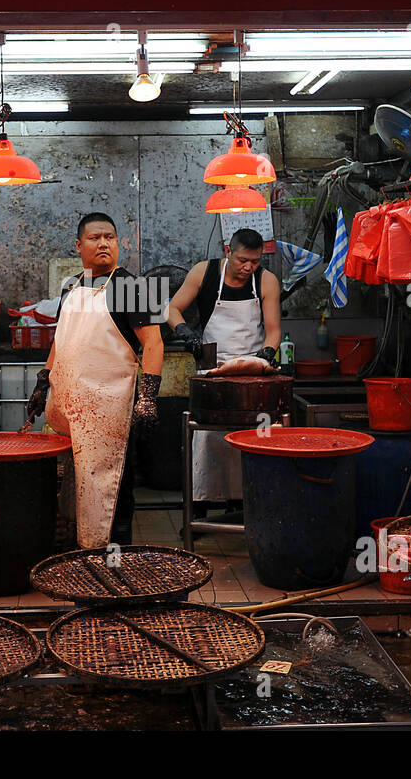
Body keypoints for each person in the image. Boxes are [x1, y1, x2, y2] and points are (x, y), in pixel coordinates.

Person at [24, 212, 164, 548]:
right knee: (79, 487)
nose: (103, 243)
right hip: (71, 407)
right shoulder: (69, 286)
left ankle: (116, 564)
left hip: (110, 410)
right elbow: (62, 340)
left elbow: (155, 343)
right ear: (78, 245)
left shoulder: (135, 287)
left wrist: (148, 398)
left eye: (110, 238)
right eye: (94, 237)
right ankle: (83, 558)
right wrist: (43, 382)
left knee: (113, 487)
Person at [164, 228, 282, 509]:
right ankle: (202, 507)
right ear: (228, 251)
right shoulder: (204, 273)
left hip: (252, 372)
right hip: (212, 371)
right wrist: (186, 333)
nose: (248, 267)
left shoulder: (266, 281)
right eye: (242, 260)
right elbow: (171, 309)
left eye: (255, 261)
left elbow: (274, 329)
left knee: (253, 436)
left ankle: (249, 504)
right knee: (207, 439)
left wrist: (266, 354)